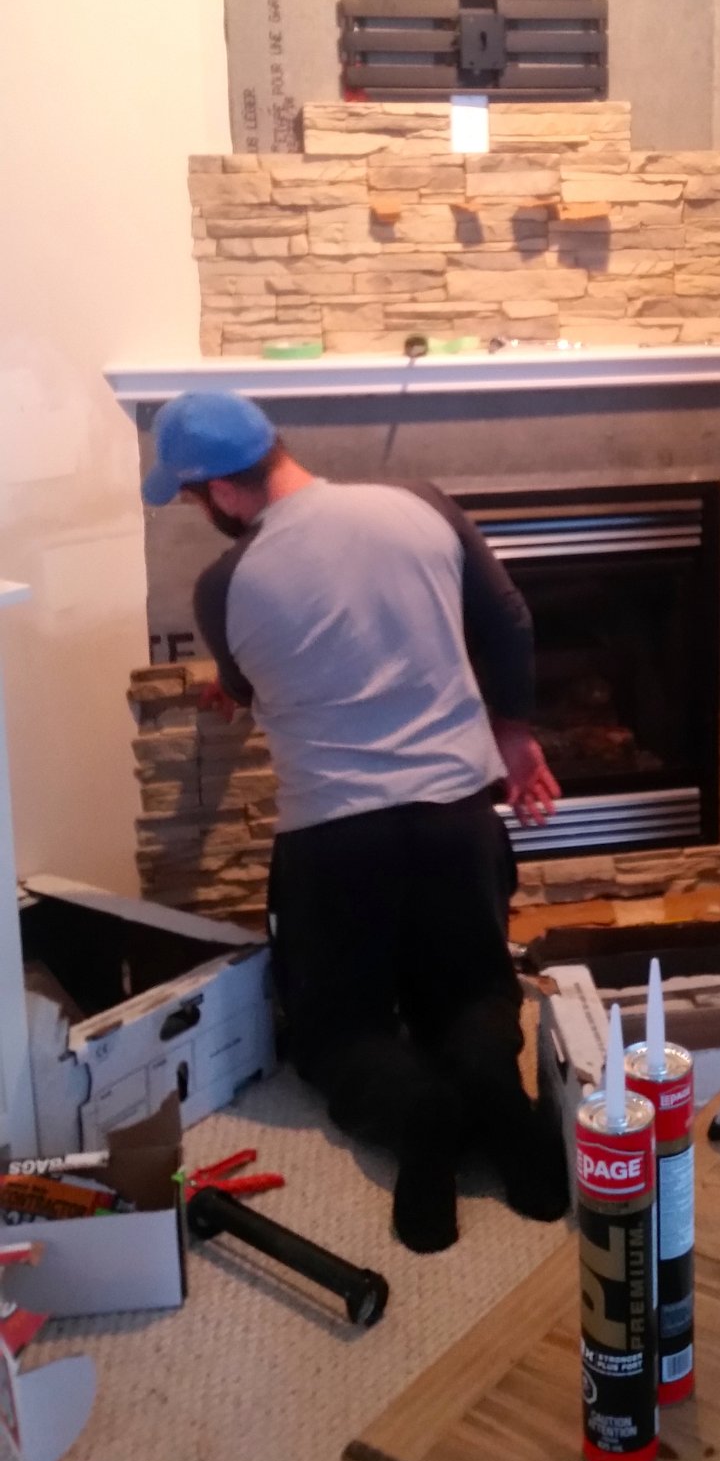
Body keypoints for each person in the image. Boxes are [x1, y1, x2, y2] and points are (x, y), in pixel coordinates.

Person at [141, 389, 567, 1254]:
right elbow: (509, 619)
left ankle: (418, 1115)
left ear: (219, 491)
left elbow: (251, 682)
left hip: (336, 841)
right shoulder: (422, 504)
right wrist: (517, 734)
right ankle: (494, 1089)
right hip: (456, 819)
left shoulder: (224, 585)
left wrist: (235, 683)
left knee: (337, 1029)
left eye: (190, 498)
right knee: (472, 989)